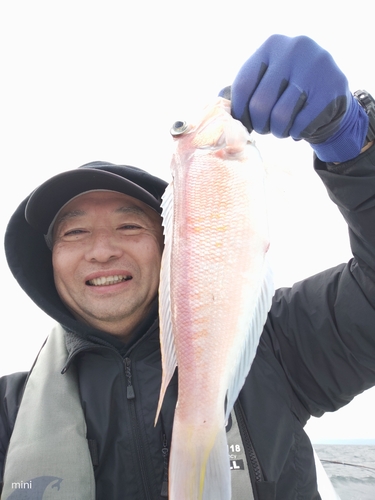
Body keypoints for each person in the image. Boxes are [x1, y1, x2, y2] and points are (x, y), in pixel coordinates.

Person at [1, 34, 375, 500]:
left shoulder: (281, 344)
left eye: (130, 227)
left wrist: (354, 145)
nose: (101, 251)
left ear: (169, 244)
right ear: (49, 260)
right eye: (74, 233)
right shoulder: (9, 414)